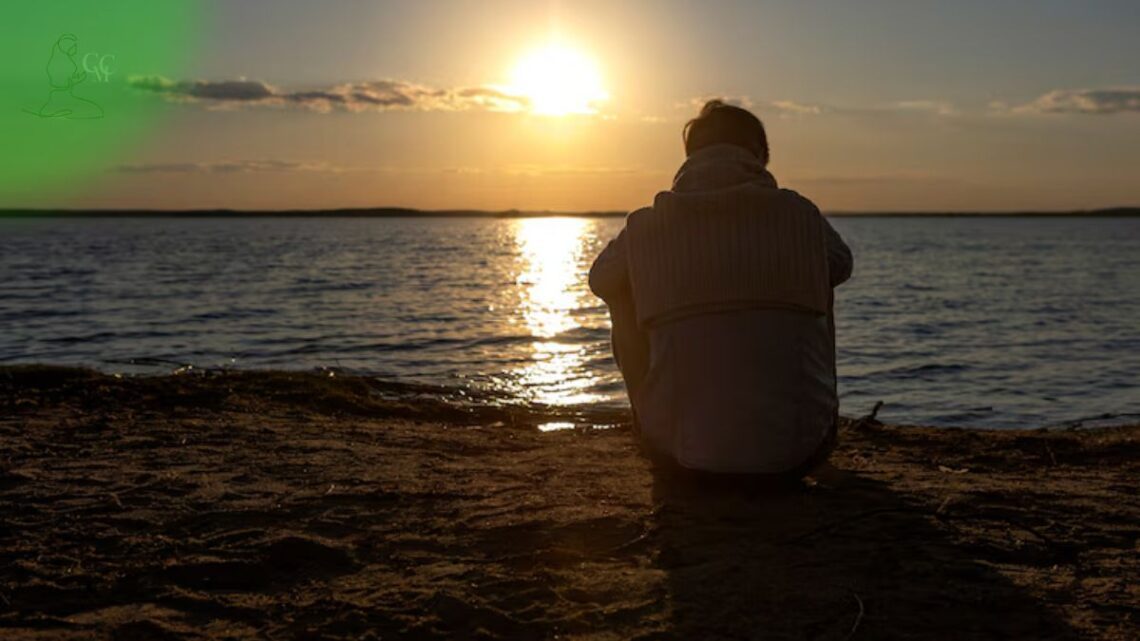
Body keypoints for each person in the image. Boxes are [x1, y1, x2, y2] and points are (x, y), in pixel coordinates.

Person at [589, 99, 853, 482]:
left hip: (681, 458)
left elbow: (600, 280)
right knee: (818, 272)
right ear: (760, 155)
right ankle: (795, 415)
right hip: (801, 454)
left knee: (620, 288)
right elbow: (841, 266)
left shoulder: (647, 226)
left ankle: (663, 422)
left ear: (690, 157)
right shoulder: (800, 215)